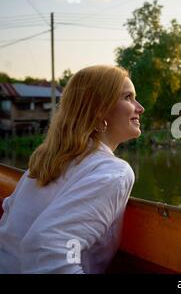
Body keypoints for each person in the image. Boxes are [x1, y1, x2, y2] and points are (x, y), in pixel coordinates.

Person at [0, 65, 144, 273]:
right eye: (128, 97)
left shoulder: (46, 163)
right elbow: (48, 251)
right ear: (99, 110)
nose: (140, 108)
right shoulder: (114, 173)